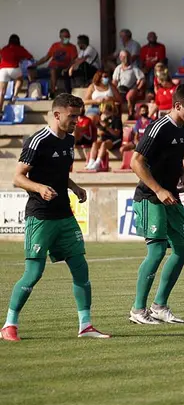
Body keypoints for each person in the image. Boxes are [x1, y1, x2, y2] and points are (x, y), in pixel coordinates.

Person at [0, 94, 110, 342]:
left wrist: (74, 186)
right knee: (33, 273)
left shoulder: (69, 140)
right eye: (72, 116)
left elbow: (60, 172)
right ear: (57, 114)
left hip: (64, 215)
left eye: (78, 116)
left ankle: (85, 325)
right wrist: (39, 188)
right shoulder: (37, 141)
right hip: (40, 216)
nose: (76, 121)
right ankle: (9, 325)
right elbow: (17, 178)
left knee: (80, 268)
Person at [128, 84, 184, 325]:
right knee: (158, 251)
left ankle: (159, 306)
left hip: (171, 195)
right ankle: (138, 310)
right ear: (178, 105)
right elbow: (136, 162)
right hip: (151, 197)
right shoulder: (159, 127)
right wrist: (158, 189)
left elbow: (171, 157)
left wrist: (182, 171)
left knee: (183, 249)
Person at [31, 28, 78, 96]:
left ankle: (52, 92)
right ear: (60, 37)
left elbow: (73, 61)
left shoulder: (72, 47)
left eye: (67, 36)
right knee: (32, 71)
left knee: (53, 70)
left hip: (62, 69)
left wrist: (67, 69)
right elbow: (46, 58)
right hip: (50, 68)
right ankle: (32, 93)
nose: (66, 38)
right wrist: (35, 64)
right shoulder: (55, 45)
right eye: (64, 36)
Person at [86, 104, 123, 171]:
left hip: (115, 140)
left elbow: (116, 134)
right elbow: (100, 132)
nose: (101, 111)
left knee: (104, 144)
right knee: (95, 143)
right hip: (105, 139)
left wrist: (106, 127)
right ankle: (91, 162)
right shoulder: (104, 120)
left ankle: (97, 163)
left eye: (103, 109)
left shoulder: (116, 119)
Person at [112, 49, 145, 117]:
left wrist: (138, 88)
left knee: (129, 96)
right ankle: (116, 115)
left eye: (125, 57)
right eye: (122, 57)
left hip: (131, 88)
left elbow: (142, 79)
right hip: (120, 88)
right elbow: (114, 81)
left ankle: (130, 113)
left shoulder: (134, 68)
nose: (124, 59)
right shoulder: (118, 68)